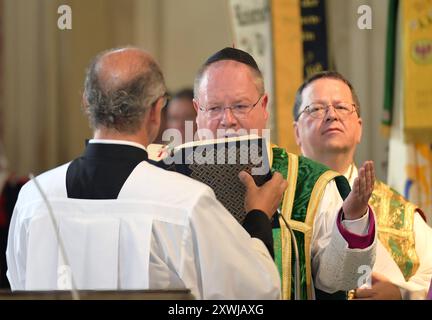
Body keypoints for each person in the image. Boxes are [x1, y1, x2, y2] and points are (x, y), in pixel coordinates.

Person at [6, 47, 287, 299]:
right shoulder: (185, 200)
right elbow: (254, 292)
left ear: (86, 103)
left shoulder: (33, 197)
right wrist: (258, 217)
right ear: (156, 111)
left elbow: (20, 284)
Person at [192, 47, 377, 300]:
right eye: (214, 108)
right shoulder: (177, 183)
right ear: (197, 111)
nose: (228, 120)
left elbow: (341, 280)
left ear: (264, 106)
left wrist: (354, 219)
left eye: (240, 105)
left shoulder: (311, 183)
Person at [293, 71, 432, 299]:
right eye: (316, 108)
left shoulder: (399, 213)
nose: (331, 115)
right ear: (297, 132)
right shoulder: (279, 201)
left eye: (341, 107)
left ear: (359, 128)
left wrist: (401, 294)